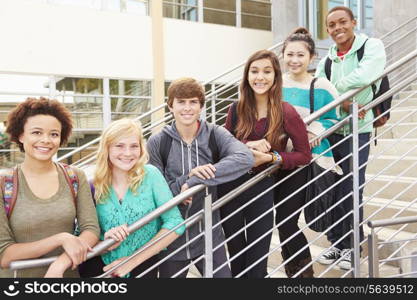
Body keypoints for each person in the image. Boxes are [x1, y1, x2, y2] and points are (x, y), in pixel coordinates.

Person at [147, 77, 254, 278]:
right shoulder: (158, 141)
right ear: (171, 106)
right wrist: (181, 184)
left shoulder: (215, 134)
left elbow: (245, 157)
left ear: (201, 106)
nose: (187, 108)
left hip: (208, 235)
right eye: (181, 102)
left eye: (193, 102)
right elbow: (154, 192)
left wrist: (195, 180)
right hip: (171, 238)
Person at [218, 50, 312, 278]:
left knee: (257, 262)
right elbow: (222, 146)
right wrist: (248, 145)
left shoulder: (286, 111)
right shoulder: (235, 109)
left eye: (267, 71)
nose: (260, 77)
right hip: (230, 187)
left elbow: (304, 155)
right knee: (237, 257)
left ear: (276, 76)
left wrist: (273, 158)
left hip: (262, 187)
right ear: (247, 76)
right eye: (255, 71)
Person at [315, 6, 386, 270]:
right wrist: (342, 100)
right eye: (331, 25)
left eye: (342, 22)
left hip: (359, 129)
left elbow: (367, 75)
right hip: (333, 130)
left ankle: (352, 246)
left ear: (354, 22)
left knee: (351, 189)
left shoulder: (372, 46)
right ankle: (336, 244)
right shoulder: (326, 61)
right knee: (332, 191)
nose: (337, 29)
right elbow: (318, 90)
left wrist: (335, 94)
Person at [0, 97, 100, 278]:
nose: (46, 140)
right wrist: (60, 239)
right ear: (21, 135)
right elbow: (4, 255)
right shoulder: (4, 183)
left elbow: (91, 229)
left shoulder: (75, 176)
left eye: (54, 134)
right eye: (37, 133)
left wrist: (61, 264)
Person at [83, 118, 185, 278]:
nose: (128, 153)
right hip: (98, 270)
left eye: (134, 146)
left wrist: (131, 261)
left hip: (142, 268)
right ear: (107, 148)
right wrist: (105, 243)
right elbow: (80, 236)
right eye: (119, 146)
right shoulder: (92, 185)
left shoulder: (151, 175)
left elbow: (175, 223)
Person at [278, 27, 341, 277]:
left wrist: (315, 131)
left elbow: (334, 119)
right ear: (283, 55)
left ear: (312, 57)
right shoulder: (276, 84)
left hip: (305, 161)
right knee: (283, 222)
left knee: (287, 221)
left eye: (300, 55)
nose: (294, 60)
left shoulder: (322, 86)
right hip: (276, 160)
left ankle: (303, 275)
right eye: (290, 54)